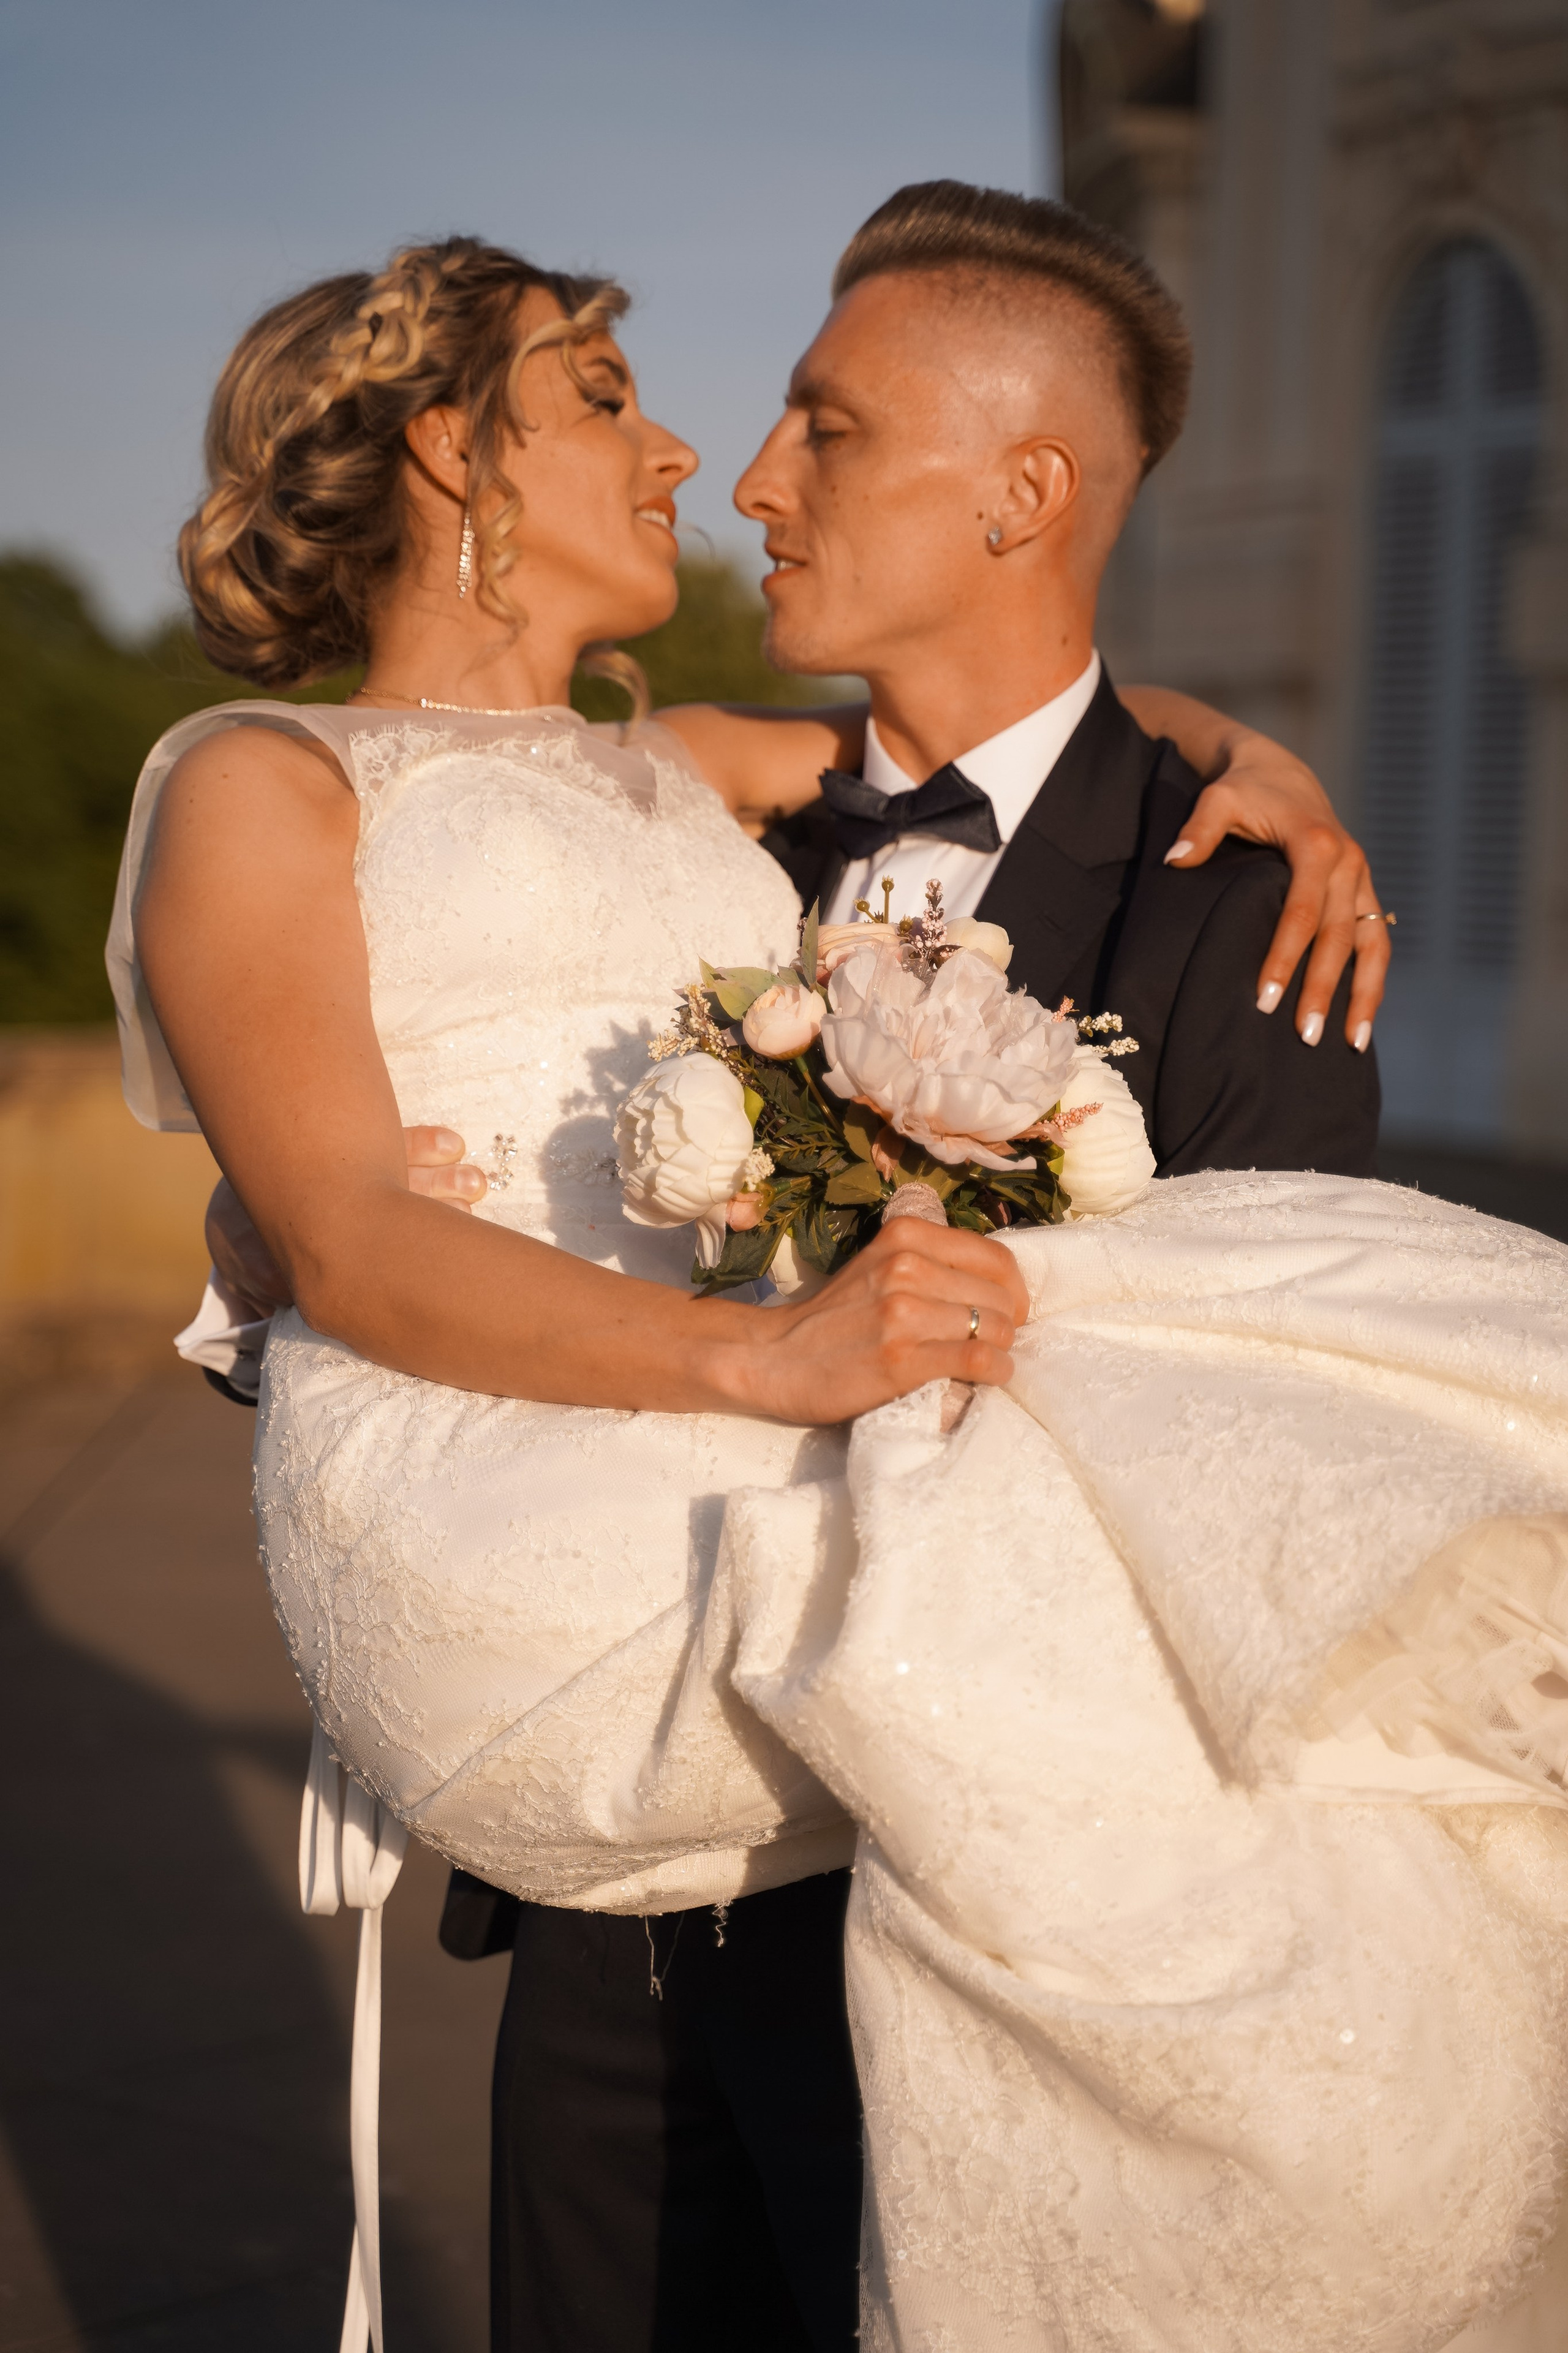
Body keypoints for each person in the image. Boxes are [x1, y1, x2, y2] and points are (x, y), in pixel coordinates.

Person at [109, 203, 1568, 2353]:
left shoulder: (1082, 872)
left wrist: (1245, 748)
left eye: (818, 422)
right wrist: (329, 1269)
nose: (716, 459)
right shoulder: (382, 789)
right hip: (612, 1796)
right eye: (617, 397)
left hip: (981, 1895)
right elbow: (353, 1213)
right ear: (451, 455)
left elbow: (1029, 728)